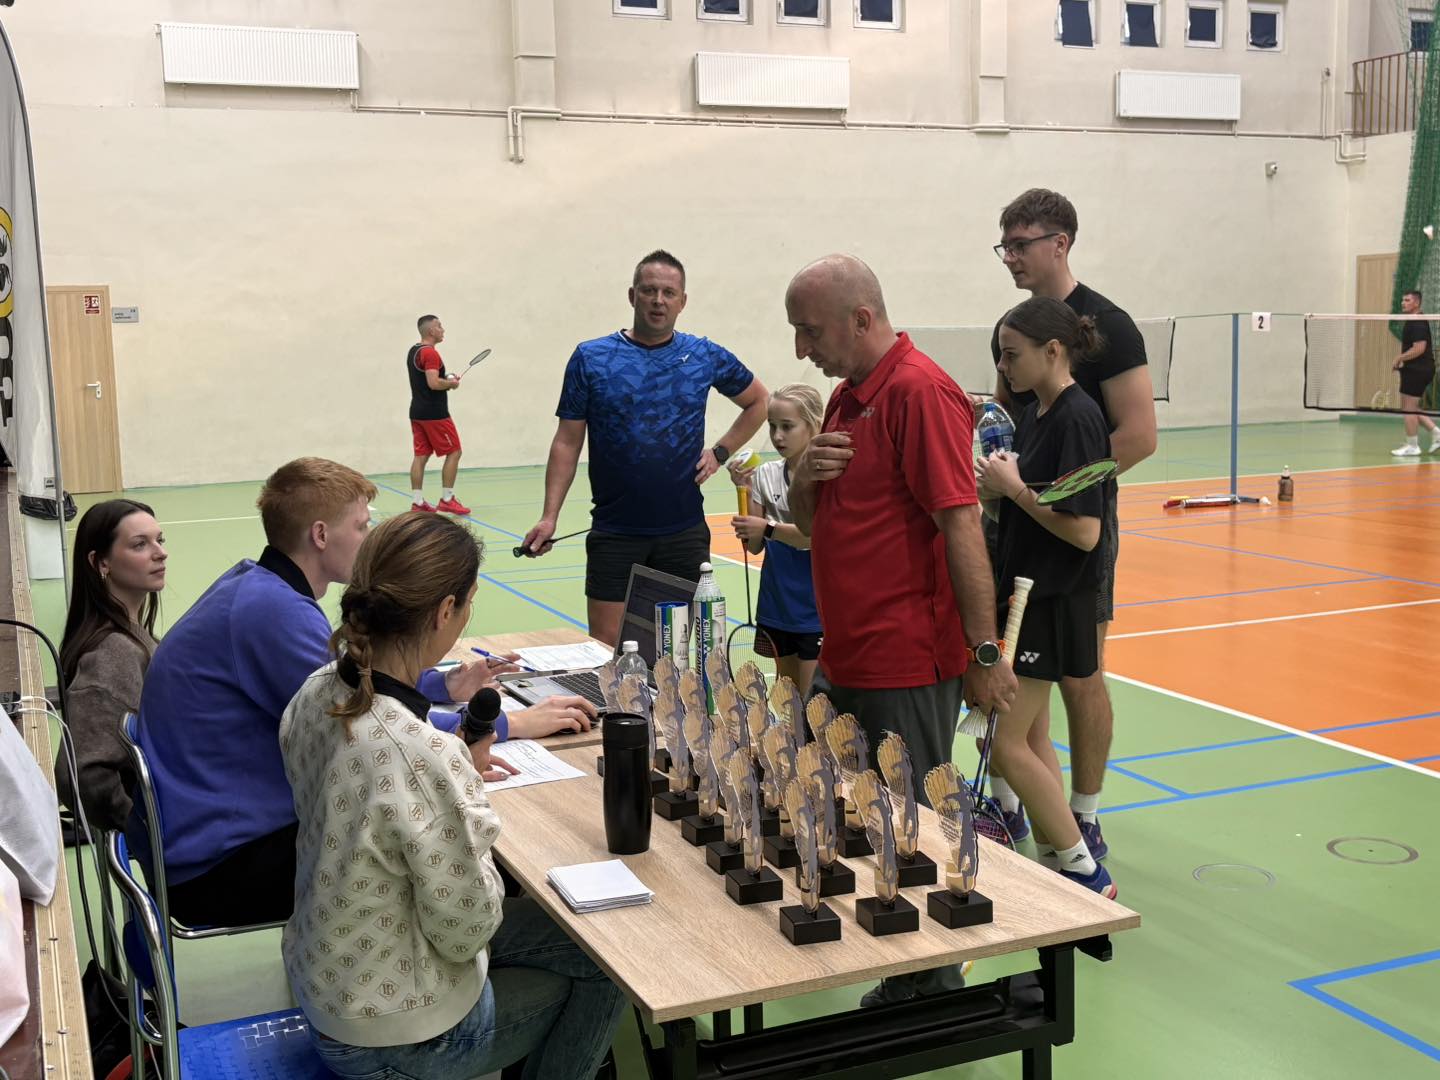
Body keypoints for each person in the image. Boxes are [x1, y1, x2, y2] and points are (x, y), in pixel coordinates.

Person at [132, 457, 595, 927]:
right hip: (219, 868)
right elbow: (371, 718)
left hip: (201, 836)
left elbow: (345, 675)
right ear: (320, 535)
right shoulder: (274, 613)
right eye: (361, 526)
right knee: (468, 850)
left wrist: (440, 683)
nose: (370, 538)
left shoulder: (258, 587)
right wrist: (510, 723)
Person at [282, 512, 627, 1080]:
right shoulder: (421, 752)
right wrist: (464, 803)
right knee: (611, 965)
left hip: (327, 976)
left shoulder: (318, 690)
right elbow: (467, 929)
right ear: (446, 611)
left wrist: (446, 791)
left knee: (576, 940)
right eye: (468, 604)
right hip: (394, 1035)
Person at [786, 254, 1017, 1006]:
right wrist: (803, 476)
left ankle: (931, 988)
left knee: (911, 829)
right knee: (831, 806)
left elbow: (962, 526)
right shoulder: (846, 397)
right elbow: (814, 526)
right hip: (845, 656)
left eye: (810, 331)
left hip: (907, 662)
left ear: (861, 319)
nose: (801, 350)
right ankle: (890, 955)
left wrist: (984, 653)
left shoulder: (920, 392)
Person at [987, 188, 1157, 860]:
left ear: (1059, 243)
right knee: (1021, 685)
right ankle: (1023, 808)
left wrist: (1051, 492)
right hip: (1023, 523)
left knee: (1080, 678)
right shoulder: (1016, 327)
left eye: (1020, 244)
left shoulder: (1110, 327)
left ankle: (1083, 819)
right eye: (1003, 246)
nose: (1010, 257)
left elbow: (1137, 436)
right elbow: (1008, 421)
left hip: (1073, 534)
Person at [520, 250, 769, 645]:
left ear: (682, 301)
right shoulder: (591, 358)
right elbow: (567, 441)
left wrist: (720, 453)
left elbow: (759, 401)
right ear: (632, 295)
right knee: (607, 650)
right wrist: (550, 517)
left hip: (683, 533)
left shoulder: (703, 355)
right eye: (649, 290)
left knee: (676, 651)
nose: (658, 300)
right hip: (615, 533)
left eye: (668, 292)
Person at [976, 298, 1118, 899]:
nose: (1003, 366)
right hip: (1024, 594)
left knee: (1003, 743)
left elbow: (1084, 531)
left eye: (1012, 355)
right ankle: (1058, 856)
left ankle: (1085, 869)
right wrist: (996, 492)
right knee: (1030, 738)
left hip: (1050, 600)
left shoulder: (1078, 418)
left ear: (1053, 351)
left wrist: (1014, 490)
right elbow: (1031, 506)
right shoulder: (1034, 413)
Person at [57, 500, 166, 832]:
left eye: (160, 540)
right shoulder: (111, 653)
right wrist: (147, 831)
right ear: (100, 562)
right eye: (140, 544)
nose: (160, 553)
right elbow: (81, 775)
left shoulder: (131, 635)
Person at [728, 383, 825, 695]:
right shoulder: (765, 474)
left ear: (813, 425)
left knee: (814, 704)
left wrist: (768, 528)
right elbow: (754, 545)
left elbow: (814, 537)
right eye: (772, 426)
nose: (778, 436)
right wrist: (744, 490)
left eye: (787, 426)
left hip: (817, 607)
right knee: (789, 702)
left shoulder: (826, 478)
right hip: (778, 603)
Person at [408, 313, 470, 514]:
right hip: (435, 414)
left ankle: (417, 502)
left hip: (417, 412)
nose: (443, 330)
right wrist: (451, 384)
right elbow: (433, 383)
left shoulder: (414, 351)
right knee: (454, 452)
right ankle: (447, 499)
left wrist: (447, 379)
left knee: (421, 456)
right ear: (430, 331)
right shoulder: (431, 354)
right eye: (439, 326)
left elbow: (428, 378)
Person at [1390, 288, 1438, 456]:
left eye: (1407, 300)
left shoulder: (1417, 322)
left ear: (1417, 303)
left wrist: (1399, 358)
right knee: (1410, 407)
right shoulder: (1412, 320)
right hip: (1414, 369)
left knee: (1409, 408)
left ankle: (1413, 446)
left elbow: (1419, 348)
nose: (1403, 303)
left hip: (1418, 369)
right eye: (1403, 300)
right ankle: (1437, 433)